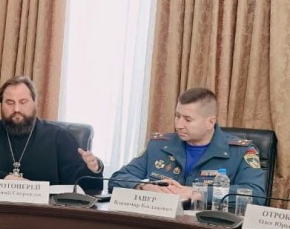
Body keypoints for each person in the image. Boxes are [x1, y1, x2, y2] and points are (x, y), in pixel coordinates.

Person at [109, 87, 265, 203]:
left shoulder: (242, 151)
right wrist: (145, 187)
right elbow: (117, 179)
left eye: (187, 119)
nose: (179, 125)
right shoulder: (158, 145)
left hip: (208, 228)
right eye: (177, 116)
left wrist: (196, 192)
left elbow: (256, 195)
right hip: (159, 225)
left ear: (210, 122)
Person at [0, 75, 104, 191]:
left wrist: (93, 169)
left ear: (35, 102)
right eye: (10, 103)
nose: (16, 109)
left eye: (23, 102)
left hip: (44, 214)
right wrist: (4, 178)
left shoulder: (58, 137)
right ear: (1, 104)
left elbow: (84, 185)